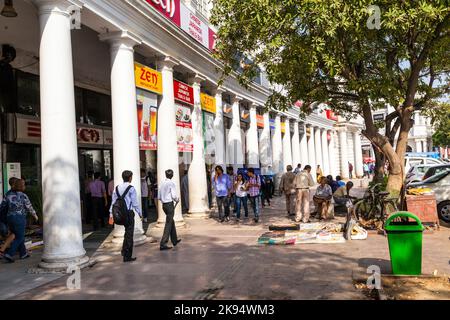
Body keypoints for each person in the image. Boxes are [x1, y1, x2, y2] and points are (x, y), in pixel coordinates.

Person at [3, 179, 38, 263]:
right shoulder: (23, 196)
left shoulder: (8, 195)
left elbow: (3, 207)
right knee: (20, 237)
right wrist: (35, 215)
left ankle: (23, 254)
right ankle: (9, 254)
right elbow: (29, 207)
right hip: (19, 218)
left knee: (18, 234)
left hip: (10, 218)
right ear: (22, 186)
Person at [109, 170, 142, 262]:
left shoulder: (116, 188)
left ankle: (124, 251)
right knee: (129, 234)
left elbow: (113, 203)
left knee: (127, 232)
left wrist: (111, 214)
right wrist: (140, 214)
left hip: (119, 214)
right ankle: (127, 256)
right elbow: (135, 204)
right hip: (128, 214)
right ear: (130, 178)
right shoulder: (131, 188)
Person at [158, 169, 181, 251]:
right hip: (169, 205)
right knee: (168, 223)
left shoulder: (162, 183)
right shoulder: (171, 183)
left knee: (171, 221)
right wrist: (177, 199)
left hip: (164, 205)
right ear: (172, 175)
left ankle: (174, 240)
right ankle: (163, 243)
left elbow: (159, 197)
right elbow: (174, 195)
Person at [0, 177, 18, 258]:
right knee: (14, 234)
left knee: (16, 234)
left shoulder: (8, 194)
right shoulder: (13, 195)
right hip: (6, 219)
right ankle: (2, 250)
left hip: (3, 219)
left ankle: (22, 251)